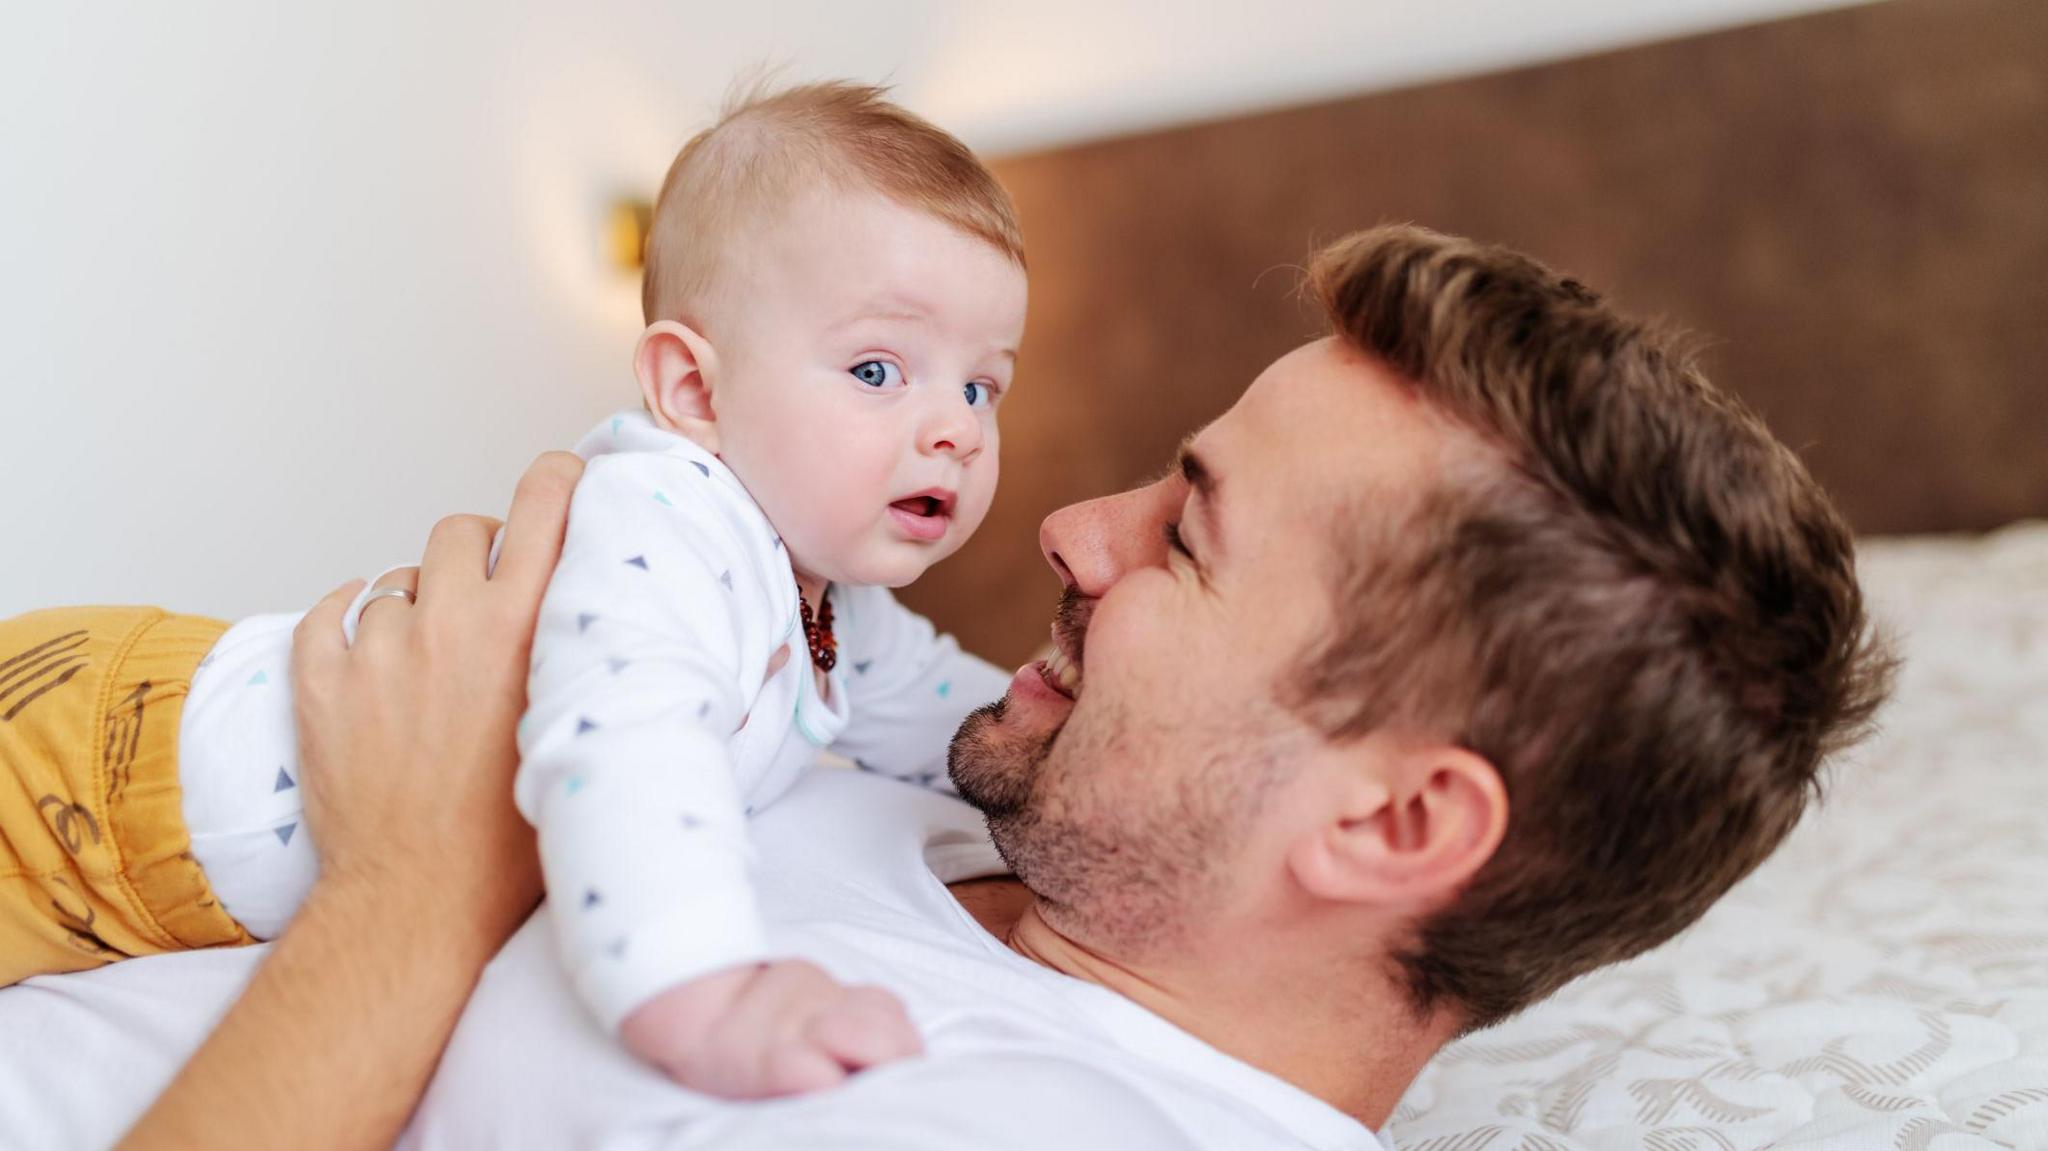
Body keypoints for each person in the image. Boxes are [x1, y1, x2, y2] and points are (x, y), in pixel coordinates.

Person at [110, 222, 1889, 1149]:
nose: (1062, 527)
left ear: (1395, 818)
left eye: (1184, 541)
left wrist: (409, 892)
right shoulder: (984, 800)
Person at [0, 80, 1027, 1098]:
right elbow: (624, 745)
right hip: (98, 766)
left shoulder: (836, 607)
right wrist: (705, 984)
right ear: (694, 391)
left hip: (140, 848)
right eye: (879, 370)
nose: (957, 427)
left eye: (980, 383)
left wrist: (1060, 759)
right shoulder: (669, 516)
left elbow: (951, 719)